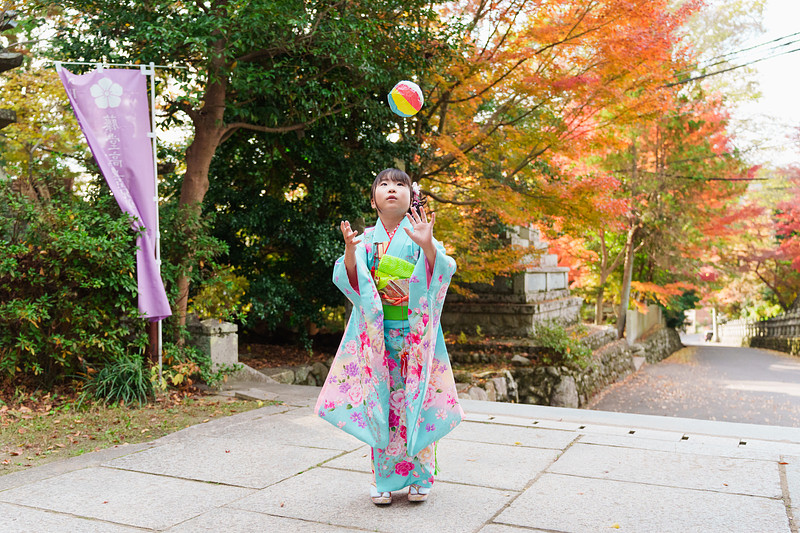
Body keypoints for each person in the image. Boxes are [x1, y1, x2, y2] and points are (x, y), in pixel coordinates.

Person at [315, 168, 463, 505]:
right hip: (378, 338)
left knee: (416, 403)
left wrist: (428, 246)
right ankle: (382, 478)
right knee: (381, 405)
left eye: (400, 184)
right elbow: (349, 277)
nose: (392, 188)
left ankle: (420, 477)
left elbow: (444, 269)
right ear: (373, 200)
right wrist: (350, 251)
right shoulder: (366, 240)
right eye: (383, 184)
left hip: (415, 337)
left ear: (412, 198)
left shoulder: (420, 234)